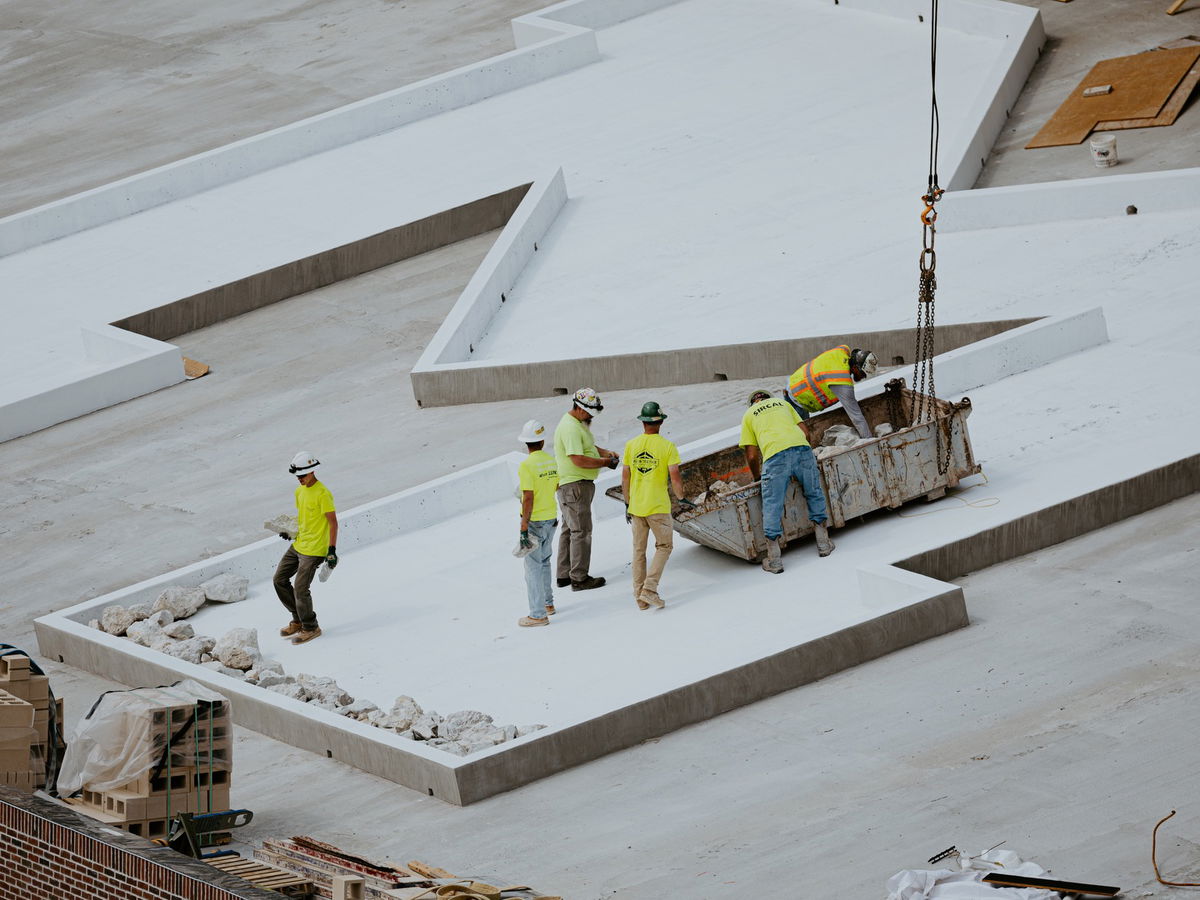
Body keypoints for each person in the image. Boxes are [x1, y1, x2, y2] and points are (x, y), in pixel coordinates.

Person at [740, 390, 833, 573]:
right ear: (768, 398)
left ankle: (774, 560)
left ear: (752, 403)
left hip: (775, 457)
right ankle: (823, 544)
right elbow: (805, 432)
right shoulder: (784, 404)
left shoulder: (749, 415)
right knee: (814, 492)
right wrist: (803, 457)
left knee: (772, 505)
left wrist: (758, 476)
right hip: (801, 449)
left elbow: (751, 455)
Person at [621, 402, 693, 610]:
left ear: (642, 422)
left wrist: (627, 503)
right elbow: (675, 477)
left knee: (638, 551)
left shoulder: (631, 445)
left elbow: (625, 477)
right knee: (664, 546)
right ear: (660, 421)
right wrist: (681, 498)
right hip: (658, 506)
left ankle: (640, 598)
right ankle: (649, 589)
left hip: (636, 506)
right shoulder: (667, 446)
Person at [553, 388, 619, 591]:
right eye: (590, 412)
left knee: (569, 530)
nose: (591, 416)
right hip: (576, 486)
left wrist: (605, 452)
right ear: (581, 409)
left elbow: (586, 447)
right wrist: (606, 462)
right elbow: (578, 459)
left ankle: (564, 575)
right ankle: (579, 578)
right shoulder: (571, 428)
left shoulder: (574, 425)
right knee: (581, 531)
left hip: (569, 486)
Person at [273, 451, 337, 644]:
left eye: (303, 475)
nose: (299, 479)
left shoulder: (323, 493)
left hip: (315, 549)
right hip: (299, 543)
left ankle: (311, 627)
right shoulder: (299, 492)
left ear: (313, 472)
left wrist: (331, 551)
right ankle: (298, 619)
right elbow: (303, 518)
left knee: (301, 588)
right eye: (297, 476)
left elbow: (333, 523)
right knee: (279, 579)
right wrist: (290, 531)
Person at [516, 420, 559, 627]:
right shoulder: (551, 461)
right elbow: (555, 485)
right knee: (545, 562)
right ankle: (548, 603)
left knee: (532, 566)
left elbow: (528, 497)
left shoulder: (526, 465)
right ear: (542, 441)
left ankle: (538, 614)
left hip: (534, 522)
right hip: (551, 518)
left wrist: (524, 527)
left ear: (526, 443)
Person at [784, 346, 878, 439]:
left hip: (795, 382)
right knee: (800, 439)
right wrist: (869, 440)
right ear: (854, 367)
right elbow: (856, 416)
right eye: (863, 374)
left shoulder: (842, 351)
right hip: (797, 399)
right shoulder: (841, 381)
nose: (863, 377)